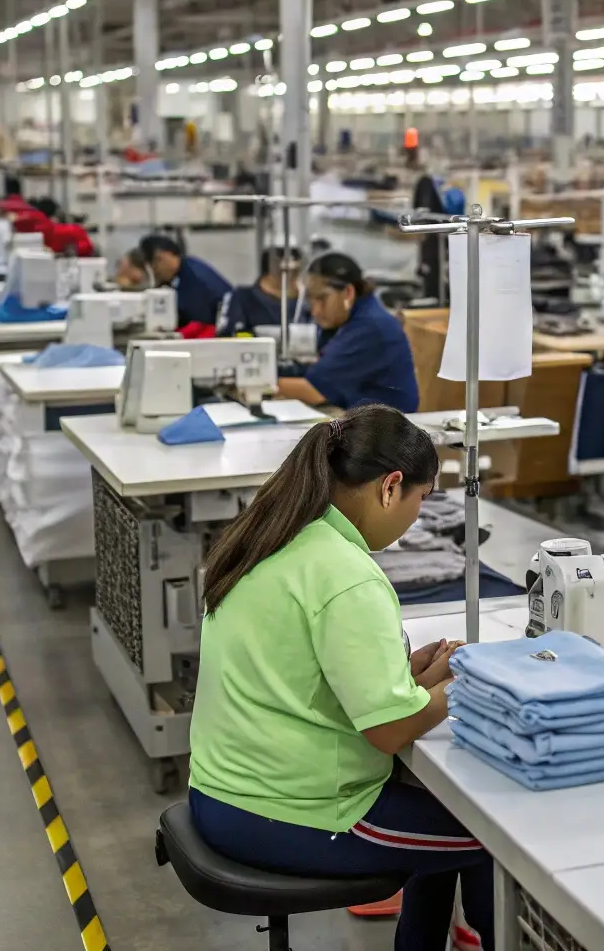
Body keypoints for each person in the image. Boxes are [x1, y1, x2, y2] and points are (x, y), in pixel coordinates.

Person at [188, 406, 492, 951]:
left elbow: (305, 677)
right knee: (495, 839)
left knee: (442, 828)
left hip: (226, 792)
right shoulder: (347, 575)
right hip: (297, 811)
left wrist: (409, 678)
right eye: (421, 501)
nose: (416, 519)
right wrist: (473, 678)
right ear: (390, 486)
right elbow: (391, 732)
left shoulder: (279, 539)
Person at [277, 251, 419, 412]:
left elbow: (312, 389)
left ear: (348, 293)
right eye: (311, 300)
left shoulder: (370, 326)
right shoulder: (350, 318)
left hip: (387, 429)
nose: (315, 310)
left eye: (322, 299)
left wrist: (256, 384)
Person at [138, 233, 232, 327]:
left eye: (156, 263)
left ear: (164, 256)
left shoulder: (195, 280)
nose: (156, 272)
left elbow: (198, 323)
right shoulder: (183, 271)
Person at [219, 245, 302, 336]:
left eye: (296, 272)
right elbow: (227, 337)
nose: (293, 278)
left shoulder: (306, 303)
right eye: (289, 272)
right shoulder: (241, 299)